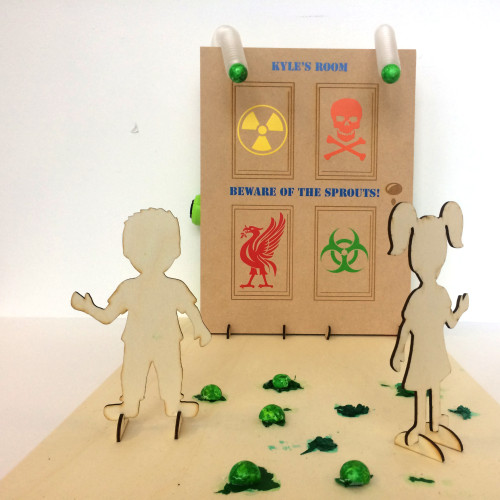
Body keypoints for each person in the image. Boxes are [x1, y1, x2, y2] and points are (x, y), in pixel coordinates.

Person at [71, 208, 211, 420]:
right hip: (137, 342)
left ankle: (174, 404)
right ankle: (129, 406)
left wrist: (200, 328)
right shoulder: (129, 289)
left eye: (160, 250)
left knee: (170, 372)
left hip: (166, 341)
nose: (152, 257)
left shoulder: (173, 287)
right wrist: (88, 308)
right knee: (133, 374)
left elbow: (190, 308)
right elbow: (108, 316)